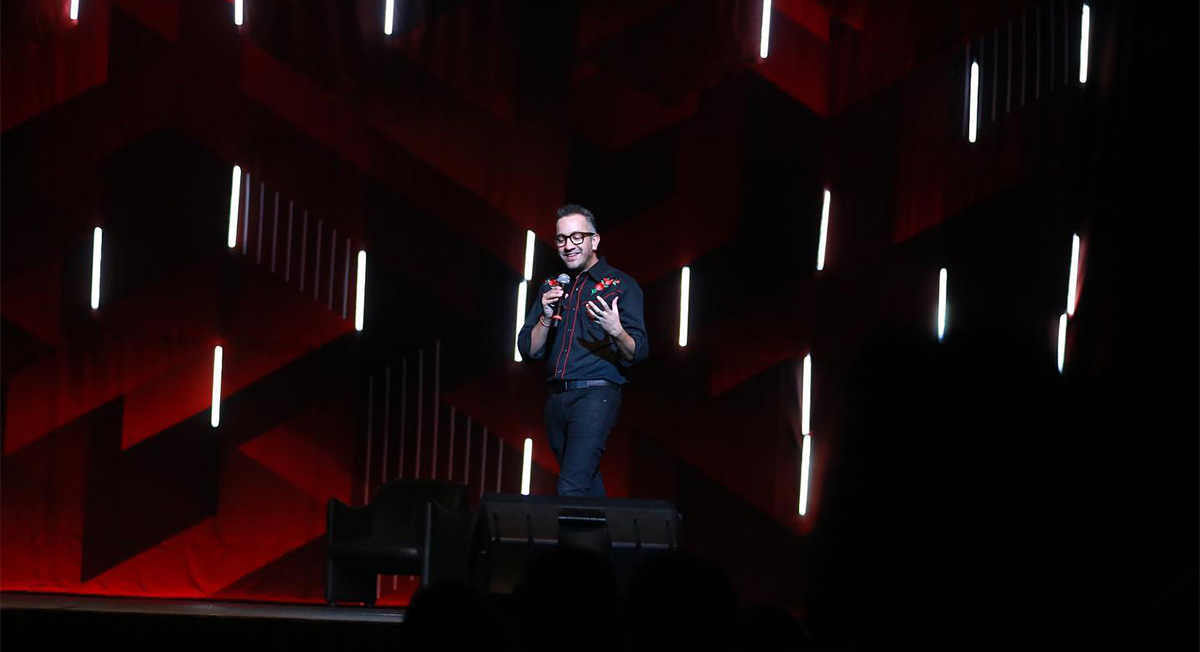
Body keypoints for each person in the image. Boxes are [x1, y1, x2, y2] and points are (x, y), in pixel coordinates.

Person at [517, 204, 649, 496]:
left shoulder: (620, 285)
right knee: (584, 482)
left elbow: (638, 352)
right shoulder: (552, 287)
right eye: (561, 239)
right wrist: (545, 317)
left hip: (595, 395)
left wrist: (616, 330)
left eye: (577, 237)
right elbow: (528, 350)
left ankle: (570, 530)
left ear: (594, 240)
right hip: (556, 398)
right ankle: (602, 528)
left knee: (571, 485)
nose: (568, 245)